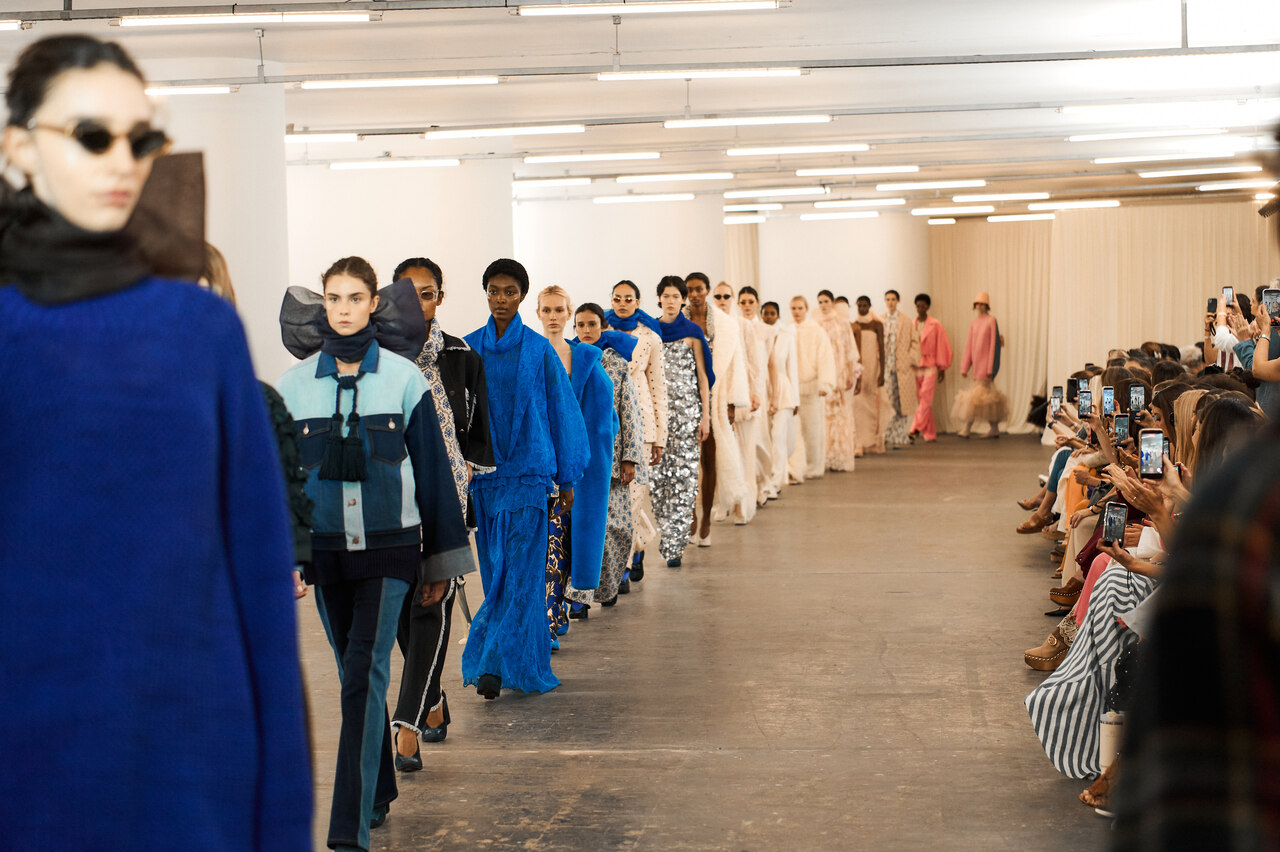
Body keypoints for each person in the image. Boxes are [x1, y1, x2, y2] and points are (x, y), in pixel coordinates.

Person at [0, 35, 312, 851]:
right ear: (18, 149)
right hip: (22, 756)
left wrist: (279, 818)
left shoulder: (198, 330)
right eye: (92, 135)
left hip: (189, 754)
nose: (123, 161)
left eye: (141, 138)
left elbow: (257, 586)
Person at [277, 257, 473, 851]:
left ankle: (346, 831)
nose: (342, 308)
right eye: (333, 297)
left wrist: (440, 564)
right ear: (322, 306)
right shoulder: (293, 387)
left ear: (374, 305)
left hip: (392, 548)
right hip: (326, 552)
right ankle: (379, 786)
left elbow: (436, 477)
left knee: (363, 671)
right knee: (351, 675)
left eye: (354, 297)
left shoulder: (405, 380)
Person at [461, 259, 589, 698]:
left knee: (518, 571)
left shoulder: (538, 351)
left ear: (521, 297)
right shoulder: (469, 348)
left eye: (510, 292)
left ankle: (493, 661)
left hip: (531, 475)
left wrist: (567, 477)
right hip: (485, 480)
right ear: (486, 293)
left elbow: (561, 410)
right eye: (494, 291)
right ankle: (520, 659)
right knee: (498, 570)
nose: (501, 299)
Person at [391, 256, 493, 769]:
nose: (418, 304)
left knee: (432, 604)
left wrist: (470, 492)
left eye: (426, 293)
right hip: (391, 501)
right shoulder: (377, 357)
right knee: (401, 614)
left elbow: (475, 431)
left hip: (447, 497)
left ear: (440, 297)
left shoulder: (459, 355)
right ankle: (431, 699)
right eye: (407, 294)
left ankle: (406, 722)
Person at [536, 285, 614, 625]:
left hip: (578, 468)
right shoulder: (531, 353)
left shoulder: (584, 360)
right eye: (547, 310)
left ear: (569, 314)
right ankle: (550, 620)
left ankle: (559, 612)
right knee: (548, 543)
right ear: (538, 313)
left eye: (559, 310)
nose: (553, 316)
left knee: (568, 540)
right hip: (540, 466)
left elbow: (603, 416)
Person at [576, 302, 645, 604]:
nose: (587, 330)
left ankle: (608, 586)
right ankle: (577, 595)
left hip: (611, 460)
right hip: (576, 462)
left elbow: (628, 410)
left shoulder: (616, 363)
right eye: (581, 325)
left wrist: (629, 457)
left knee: (616, 527)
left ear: (602, 327)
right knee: (579, 529)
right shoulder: (566, 360)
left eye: (592, 324)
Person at [606, 279, 668, 585]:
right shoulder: (600, 330)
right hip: (608, 423)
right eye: (617, 298)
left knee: (633, 495)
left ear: (638, 301)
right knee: (615, 498)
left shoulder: (650, 338)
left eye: (628, 298)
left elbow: (658, 389)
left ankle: (623, 566)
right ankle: (639, 541)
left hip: (641, 424)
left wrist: (661, 437)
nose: (622, 303)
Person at [650, 276, 713, 567]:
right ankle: (666, 533)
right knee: (658, 480)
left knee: (685, 479)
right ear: (659, 298)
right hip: (658, 418)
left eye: (677, 296)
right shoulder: (649, 331)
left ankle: (676, 544)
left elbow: (703, 377)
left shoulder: (692, 332)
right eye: (667, 296)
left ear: (683, 300)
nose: (672, 300)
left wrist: (706, 417)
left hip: (688, 416)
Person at [686, 272, 748, 545]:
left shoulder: (725, 325)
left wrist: (733, 402)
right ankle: (690, 515)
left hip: (715, 396)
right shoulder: (677, 320)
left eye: (699, 289)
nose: (695, 294)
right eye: (690, 290)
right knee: (685, 462)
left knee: (710, 459)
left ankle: (707, 518)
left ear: (707, 290)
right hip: (684, 397)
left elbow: (735, 364)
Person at [714, 280, 765, 523]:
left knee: (745, 453)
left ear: (732, 298)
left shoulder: (743, 325)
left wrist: (756, 393)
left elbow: (755, 363)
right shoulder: (709, 324)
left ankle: (743, 507)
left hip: (744, 398)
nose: (722, 300)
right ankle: (723, 503)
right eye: (718, 296)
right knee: (721, 454)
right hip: (718, 400)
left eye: (726, 296)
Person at [739, 286, 782, 505]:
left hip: (761, 389)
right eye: (743, 302)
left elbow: (773, 365)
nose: (746, 305)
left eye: (750, 301)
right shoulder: (734, 327)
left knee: (762, 439)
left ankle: (764, 483)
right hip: (739, 389)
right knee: (744, 442)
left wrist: (775, 396)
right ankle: (747, 489)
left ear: (757, 303)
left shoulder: (767, 330)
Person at [789, 295, 837, 479]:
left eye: (800, 308)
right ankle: (797, 467)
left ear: (807, 309)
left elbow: (825, 357)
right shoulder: (787, 329)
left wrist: (825, 383)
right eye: (793, 308)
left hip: (812, 387)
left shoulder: (816, 331)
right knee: (794, 430)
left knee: (813, 429)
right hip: (793, 388)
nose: (797, 312)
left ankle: (814, 467)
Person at [953, 291, 1009, 439]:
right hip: (977, 366)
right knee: (985, 398)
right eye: (978, 303)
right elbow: (969, 345)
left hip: (985, 367)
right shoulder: (974, 322)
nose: (980, 306)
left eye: (983, 304)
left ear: (987, 305)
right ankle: (994, 428)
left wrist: (991, 367)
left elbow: (993, 346)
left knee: (976, 398)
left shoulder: (991, 321)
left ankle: (967, 428)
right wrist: (965, 366)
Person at [910, 293, 952, 442]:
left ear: (928, 306)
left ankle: (915, 428)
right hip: (915, 365)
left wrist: (942, 368)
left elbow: (942, 345)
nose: (920, 308)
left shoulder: (935, 324)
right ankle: (930, 433)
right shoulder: (911, 324)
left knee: (926, 398)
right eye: (918, 305)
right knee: (921, 399)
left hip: (931, 364)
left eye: (923, 305)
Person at [880, 289, 920, 449]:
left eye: (893, 299)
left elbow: (915, 342)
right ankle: (887, 434)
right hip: (885, 367)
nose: (890, 302)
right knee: (887, 401)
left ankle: (899, 434)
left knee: (901, 401)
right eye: (888, 299)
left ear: (898, 301)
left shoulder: (905, 320)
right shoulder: (880, 320)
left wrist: (910, 358)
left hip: (901, 368)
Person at [851, 295, 890, 455]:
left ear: (869, 306)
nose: (862, 308)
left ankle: (874, 440)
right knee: (858, 405)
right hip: (860, 369)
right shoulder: (854, 325)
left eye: (865, 305)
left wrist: (882, 372)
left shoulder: (876, 325)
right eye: (859, 305)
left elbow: (881, 347)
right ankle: (860, 442)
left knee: (874, 404)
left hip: (873, 368)